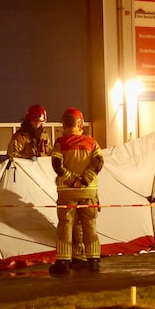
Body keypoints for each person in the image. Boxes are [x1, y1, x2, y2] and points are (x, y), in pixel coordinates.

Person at [49, 107, 104, 276]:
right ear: (80, 123)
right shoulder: (92, 142)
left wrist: (72, 179)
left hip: (67, 192)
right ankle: (93, 260)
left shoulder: (60, 143)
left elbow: (57, 165)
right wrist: (84, 180)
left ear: (65, 124)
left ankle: (64, 262)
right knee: (90, 226)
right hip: (88, 192)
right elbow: (99, 163)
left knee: (65, 226)